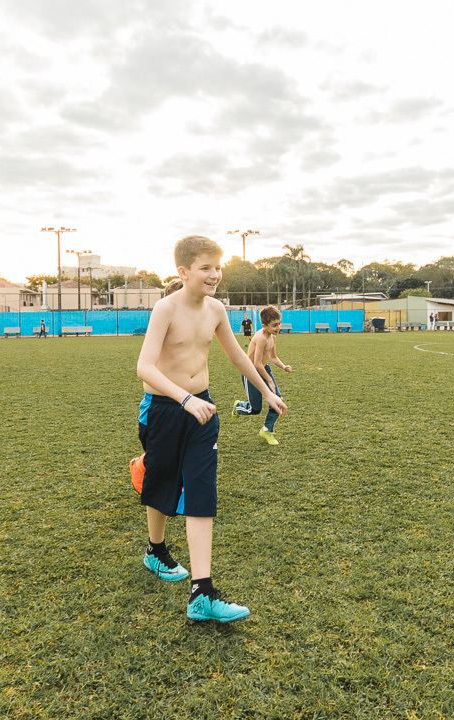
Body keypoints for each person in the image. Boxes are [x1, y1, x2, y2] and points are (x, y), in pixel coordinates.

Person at [136, 235, 286, 623]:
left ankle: (202, 591)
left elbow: (236, 354)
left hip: (203, 411)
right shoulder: (164, 309)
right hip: (167, 409)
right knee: (162, 482)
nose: (215, 275)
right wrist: (183, 399)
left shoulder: (217, 309)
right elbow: (145, 367)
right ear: (183, 272)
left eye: (218, 267)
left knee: (201, 490)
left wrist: (268, 391)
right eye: (205, 268)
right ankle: (155, 549)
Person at [233, 305, 291, 445]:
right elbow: (256, 364)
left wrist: (283, 366)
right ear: (264, 325)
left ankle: (266, 430)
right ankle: (239, 407)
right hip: (250, 373)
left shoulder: (272, 336)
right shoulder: (261, 338)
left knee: (278, 400)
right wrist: (269, 380)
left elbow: (273, 357)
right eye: (274, 325)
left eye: (279, 324)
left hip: (264, 369)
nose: (278, 328)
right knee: (255, 409)